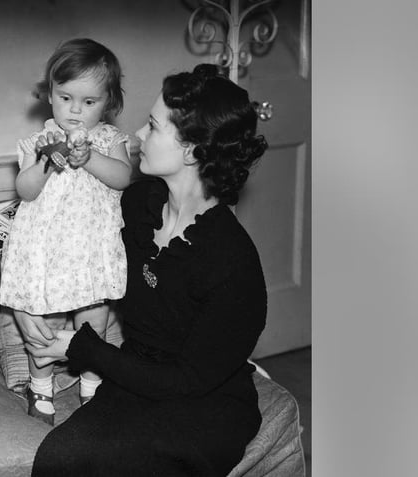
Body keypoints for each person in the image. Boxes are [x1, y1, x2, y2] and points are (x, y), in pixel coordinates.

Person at [22, 63, 269, 476]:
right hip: (135, 381)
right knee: (56, 459)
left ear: (191, 149)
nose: (138, 134)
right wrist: (30, 302)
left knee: (130, 466)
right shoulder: (138, 205)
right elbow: (68, 247)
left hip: (204, 403)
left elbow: (185, 380)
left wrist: (82, 349)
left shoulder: (232, 261)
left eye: (153, 126)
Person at [0, 38, 132, 425]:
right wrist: (45, 162)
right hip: (47, 254)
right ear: (50, 96)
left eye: (89, 102)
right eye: (66, 97)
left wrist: (90, 159)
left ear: (108, 103)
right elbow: (25, 189)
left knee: (95, 323)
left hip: (91, 253)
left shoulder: (109, 140)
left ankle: (92, 387)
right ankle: (41, 387)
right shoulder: (39, 141)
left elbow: (122, 178)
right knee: (45, 324)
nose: (76, 110)